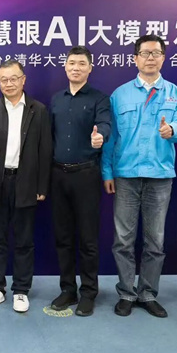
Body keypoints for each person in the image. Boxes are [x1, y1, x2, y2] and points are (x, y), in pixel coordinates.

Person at [102, 34, 177, 318]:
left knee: (155, 240)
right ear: (135, 58)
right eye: (145, 53)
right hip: (126, 175)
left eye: (156, 53)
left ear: (163, 57)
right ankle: (127, 293)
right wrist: (107, 171)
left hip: (159, 176)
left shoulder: (176, 93)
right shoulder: (120, 94)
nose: (150, 58)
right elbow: (111, 137)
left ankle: (148, 293)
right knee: (123, 240)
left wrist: (171, 130)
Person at [0, 58, 51, 313]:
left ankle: (21, 290)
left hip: (26, 182)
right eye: (4, 80)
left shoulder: (38, 110)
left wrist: (42, 186)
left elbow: (45, 149)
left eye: (13, 79)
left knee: (24, 240)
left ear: (23, 80)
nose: (9, 84)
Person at [48, 46, 110, 317]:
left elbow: (105, 125)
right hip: (58, 175)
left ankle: (88, 292)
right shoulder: (56, 99)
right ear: (65, 67)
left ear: (90, 68)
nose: (76, 67)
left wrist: (100, 137)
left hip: (86, 175)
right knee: (63, 237)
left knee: (87, 239)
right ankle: (67, 289)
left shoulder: (99, 99)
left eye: (81, 63)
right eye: (71, 63)